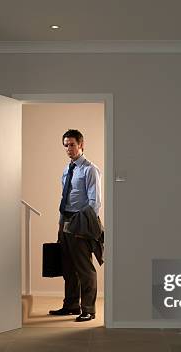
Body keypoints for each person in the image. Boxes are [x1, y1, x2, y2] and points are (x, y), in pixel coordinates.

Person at [49, 129, 102, 322]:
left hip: (80, 223)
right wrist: (61, 222)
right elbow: (65, 198)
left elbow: (95, 202)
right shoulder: (67, 169)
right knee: (68, 267)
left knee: (84, 268)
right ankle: (71, 305)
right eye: (65, 145)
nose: (68, 148)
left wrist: (81, 224)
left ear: (81, 145)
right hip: (65, 221)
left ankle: (88, 309)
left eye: (71, 144)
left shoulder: (90, 169)